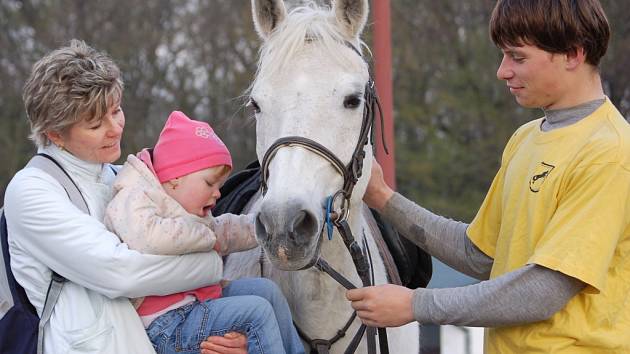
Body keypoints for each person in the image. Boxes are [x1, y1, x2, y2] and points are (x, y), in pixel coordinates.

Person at [346, 0, 630, 353]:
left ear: (573, 54)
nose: (502, 71)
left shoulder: (610, 154)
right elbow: (479, 255)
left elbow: (544, 291)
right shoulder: (526, 138)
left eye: (518, 57)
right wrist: (382, 198)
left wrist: (415, 305)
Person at [4, 39, 244, 354]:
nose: (115, 128)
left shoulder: (123, 178)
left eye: (116, 110)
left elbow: (166, 300)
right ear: (55, 135)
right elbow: (121, 273)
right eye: (95, 124)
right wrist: (214, 262)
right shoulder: (32, 190)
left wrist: (218, 339)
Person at [104, 110, 305, 354]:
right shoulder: (134, 197)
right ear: (175, 177)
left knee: (266, 290)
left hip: (195, 304)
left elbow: (222, 230)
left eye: (219, 186)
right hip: (166, 325)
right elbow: (149, 239)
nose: (218, 193)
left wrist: (265, 227)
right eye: (210, 183)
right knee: (257, 313)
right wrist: (208, 237)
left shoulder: (185, 210)